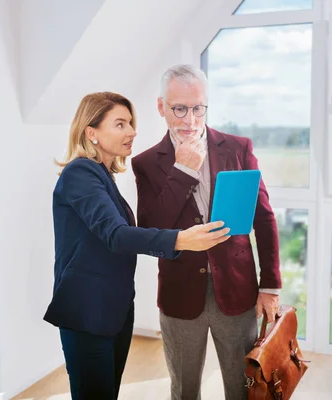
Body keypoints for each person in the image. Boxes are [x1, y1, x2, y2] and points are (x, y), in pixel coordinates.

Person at [43, 91, 231, 400]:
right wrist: (183, 239)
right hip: (87, 311)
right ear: (91, 132)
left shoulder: (103, 175)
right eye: (119, 124)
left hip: (113, 307)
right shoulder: (80, 173)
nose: (131, 131)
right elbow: (116, 235)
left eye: (131, 123)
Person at [131, 65, 282, 400]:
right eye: (179, 109)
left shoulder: (238, 148)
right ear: (161, 107)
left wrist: (270, 285)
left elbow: (264, 218)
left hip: (238, 290)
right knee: (184, 389)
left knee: (242, 388)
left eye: (198, 108)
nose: (189, 120)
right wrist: (183, 169)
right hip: (180, 295)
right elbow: (152, 231)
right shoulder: (146, 163)